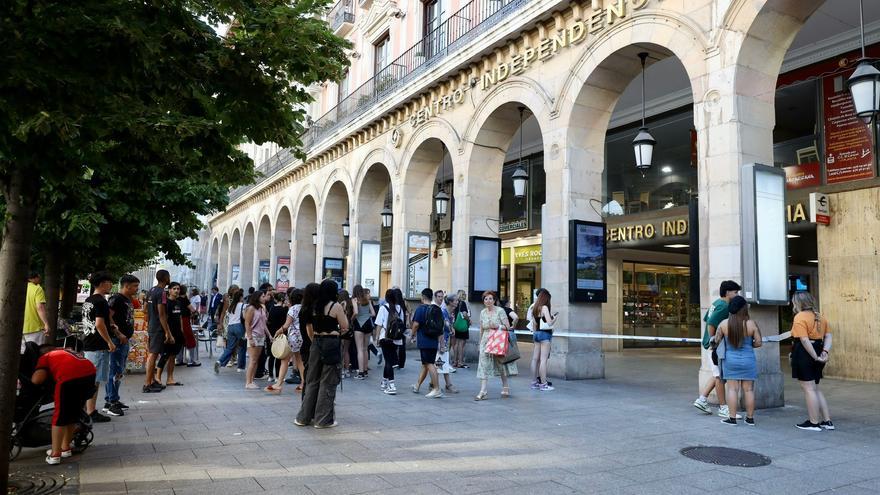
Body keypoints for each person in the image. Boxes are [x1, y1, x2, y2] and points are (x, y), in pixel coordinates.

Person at [295, 279, 349, 428]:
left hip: (316, 343)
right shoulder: (335, 306)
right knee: (328, 381)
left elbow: (310, 329)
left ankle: (303, 417)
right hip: (331, 342)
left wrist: (315, 341)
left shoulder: (314, 306)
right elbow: (345, 327)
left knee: (312, 381)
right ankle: (322, 419)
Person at [31, 345, 96, 465]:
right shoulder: (66, 351)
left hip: (69, 377)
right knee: (73, 412)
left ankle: (55, 454)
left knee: (59, 416)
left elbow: (37, 380)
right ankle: (65, 447)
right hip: (90, 374)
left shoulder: (45, 357)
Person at [693, 280, 742, 419]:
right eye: (735, 292)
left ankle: (702, 399)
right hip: (716, 347)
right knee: (720, 377)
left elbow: (707, 318)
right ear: (727, 293)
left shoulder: (716, 303)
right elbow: (710, 322)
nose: (737, 294)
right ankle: (723, 408)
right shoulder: (724, 306)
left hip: (713, 346)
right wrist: (714, 339)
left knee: (717, 375)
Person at [789, 291, 834, 431]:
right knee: (815, 387)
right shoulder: (820, 316)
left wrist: (814, 356)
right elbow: (828, 336)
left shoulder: (799, 317)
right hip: (819, 349)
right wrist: (824, 353)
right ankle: (827, 421)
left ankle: (814, 423)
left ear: (798, 302)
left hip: (805, 352)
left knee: (809, 389)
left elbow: (803, 339)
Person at [715, 296, 761, 426]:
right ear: (744, 308)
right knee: (749, 390)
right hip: (748, 360)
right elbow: (758, 343)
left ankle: (732, 418)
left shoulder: (724, 324)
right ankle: (750, 419)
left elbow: (716, 341)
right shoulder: (751, 324)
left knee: (732, 390)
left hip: (730, 360)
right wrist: (748, 345)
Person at [82, 271, 116, 423]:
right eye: (109, 282)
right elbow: (99, 323)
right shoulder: (101, 301)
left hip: (89, 343)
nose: (111, 285)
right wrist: (109, 341)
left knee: (91, 378)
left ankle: (87, 409)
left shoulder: (89, 299)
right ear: (102, 283)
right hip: (98, 345)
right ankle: (90, 411)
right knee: (94, 380)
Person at [103, 274, 139, 417]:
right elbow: (107, 315)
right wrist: (118, 333)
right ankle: (111, 402)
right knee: (114, 370)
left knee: (119, 371)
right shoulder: (116, 299)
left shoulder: (127, 299)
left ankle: (113, 399)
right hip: (117, 340)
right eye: (135, 286)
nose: (137, 289)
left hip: (124, 340)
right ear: (126, 285)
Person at [475, 291, 511, 400]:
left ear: (494, 300)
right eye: (486, 299)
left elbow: (508, 327)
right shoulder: (482, 312)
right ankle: (483, 391)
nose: (488, 301)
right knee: (483, 365)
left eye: (490, 298)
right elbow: (481, 329)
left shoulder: (500, 311)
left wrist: (497, 326)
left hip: (497, 340)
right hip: (485, 341)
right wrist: (480, 342)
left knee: (500, 364)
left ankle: (505, 385)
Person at [411, 288, 445, 398]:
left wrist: (412, 334)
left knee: (429, 364)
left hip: (424, 341)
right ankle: (417, 385)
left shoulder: (420, 309)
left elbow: (415, 325)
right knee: (425, 364)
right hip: (433, 341)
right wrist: (441, 342)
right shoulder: (437, 309)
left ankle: (436, 388)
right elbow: (441, 327)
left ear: (422, 297)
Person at [144, 270, 172, 393]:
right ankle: (147, 384)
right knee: (153, 355)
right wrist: (167, 332)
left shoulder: (151, 290)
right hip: (158, 328)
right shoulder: (162, 293)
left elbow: (145, 309)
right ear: (166, 278)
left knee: (153, 354)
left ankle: (151, 381)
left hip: (152, 326)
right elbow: (162, 314)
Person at [275, 288, 306, 393]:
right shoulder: (305, 308)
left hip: (293, 337)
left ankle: (279, 384)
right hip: (302, 336)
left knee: (284, 360)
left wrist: (279, 331)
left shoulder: (292, 309)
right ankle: (303, 383)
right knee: (300, 360)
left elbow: (286, 325)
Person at [374, 288, 404, 395]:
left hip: (385, 338)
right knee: (389, 360)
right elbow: (402, 323)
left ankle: (391, 385)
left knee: (388, 361)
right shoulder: (399, 308)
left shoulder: (383, 308)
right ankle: (384, 381)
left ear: (386, 297)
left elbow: (379, 324)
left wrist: (377, 338)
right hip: (396, 338)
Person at [156, 282, 185, 386]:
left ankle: (170, 378)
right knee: (165, 355)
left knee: (173, 356)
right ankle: (158, 378)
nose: (177, 291)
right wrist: (167, 333)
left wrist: (181, 330)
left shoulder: (178, 303)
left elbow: (180, 317)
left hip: (177, 333)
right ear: (169, 290)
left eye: (178, 289)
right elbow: (164, 318)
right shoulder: (166, 303)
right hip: (168, 333)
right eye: (174, 289)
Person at [529, 289, 556, 391]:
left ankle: (534, 382)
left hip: (536, 334)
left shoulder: (534, 307)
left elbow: (534, 324)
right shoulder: (544, 307)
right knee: (543, 360)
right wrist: (555, 318)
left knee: (535, 359)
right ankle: (543, 384)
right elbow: (549, 323)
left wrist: (535, 334)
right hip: (545, 335)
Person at [214, 288, 246, 373]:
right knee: (242, 346)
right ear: (240, 297)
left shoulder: (231, 305)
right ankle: (241, 367)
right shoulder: (243, 305)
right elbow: (244, 317)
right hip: (239, 326)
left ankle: (219, 361)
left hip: (230, 327)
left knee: (229, 347)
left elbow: (225, 314)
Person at [243, 289, 270, 389]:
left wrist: (269, 335)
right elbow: (247, 323)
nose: (265, 298)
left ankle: (251, 380)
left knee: (256, 360)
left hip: (261, 336)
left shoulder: (262, 308)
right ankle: (248, 382)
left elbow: (263, 324)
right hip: (253, 335)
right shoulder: (251, 308)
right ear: (257, 297)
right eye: (263, 296)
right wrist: (250, 338)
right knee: (253, 360)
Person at [265, 291, 289, 393]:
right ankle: (278, 376)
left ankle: (270, 375)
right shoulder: (285, 310)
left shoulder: (272, 308)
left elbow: (269, 321)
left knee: (272, 355)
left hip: (272, 332)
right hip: (282, 333)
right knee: (280, 355)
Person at [351, 285, 375, 380]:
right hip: (368, 324)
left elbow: (356, 312)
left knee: (359, 349)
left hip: (359, 325)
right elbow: (373, 314)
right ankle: (365, 370)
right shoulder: (367, 300)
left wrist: (352, 319)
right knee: (365, 348)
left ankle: (360, 372)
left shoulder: (355, 299)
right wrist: (366, 315)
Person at [23, 270, 50, 353]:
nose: (39, 280)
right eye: (39, 277)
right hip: (35, 328)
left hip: (19, 327)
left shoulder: (19, 288)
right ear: (34, 278)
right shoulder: (37, 289)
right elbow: (40, 307)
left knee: (22, 353)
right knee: (35, 353)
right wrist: (46, 323)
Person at [177, 285, 200, 367]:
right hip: (185, 321)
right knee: (191, 340)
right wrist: (195, 313)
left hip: (177, 322)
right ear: (185, 291)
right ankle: (191, 361)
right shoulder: (185, 300)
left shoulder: (176, 299)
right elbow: (193, 310)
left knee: (180, 340)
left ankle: (179, 360)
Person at [451, 289, 470, 368]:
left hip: (455, 325)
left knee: (456, 344)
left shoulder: (455, 303)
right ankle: (460, 362)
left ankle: (455, 361)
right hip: (462, 326)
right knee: (461, 344)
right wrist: (469, 320)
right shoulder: (463, 303)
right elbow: (465, 314)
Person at [338, 289, 354, 378]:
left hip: (341, 328)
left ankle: (341, 370)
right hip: (349, 328)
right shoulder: (351, 305)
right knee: (346, 350)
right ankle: (347, 369)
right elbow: (355, 313)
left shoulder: (340, 305)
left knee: (340, 350)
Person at [391, 287, 408, 370]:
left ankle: (394, 361)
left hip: (395, 326)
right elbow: (409, 312)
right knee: (402, 345)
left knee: (393, 344)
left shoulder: (393, 305)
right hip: (402, 326)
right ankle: (401, 363)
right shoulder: (404, 303)